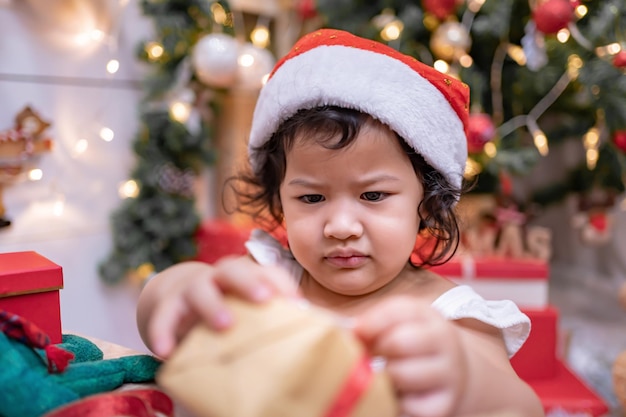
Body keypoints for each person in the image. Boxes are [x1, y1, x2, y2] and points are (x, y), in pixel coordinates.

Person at [137, 29, 544, 417]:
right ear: (280, 200)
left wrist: (466, 378)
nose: (341, 226)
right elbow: (160, 303)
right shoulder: (272, 279)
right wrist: (184, 291)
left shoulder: (451, 319)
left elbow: (524, 409)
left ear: (426, 202)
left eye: (373, 196)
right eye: (311, 198)